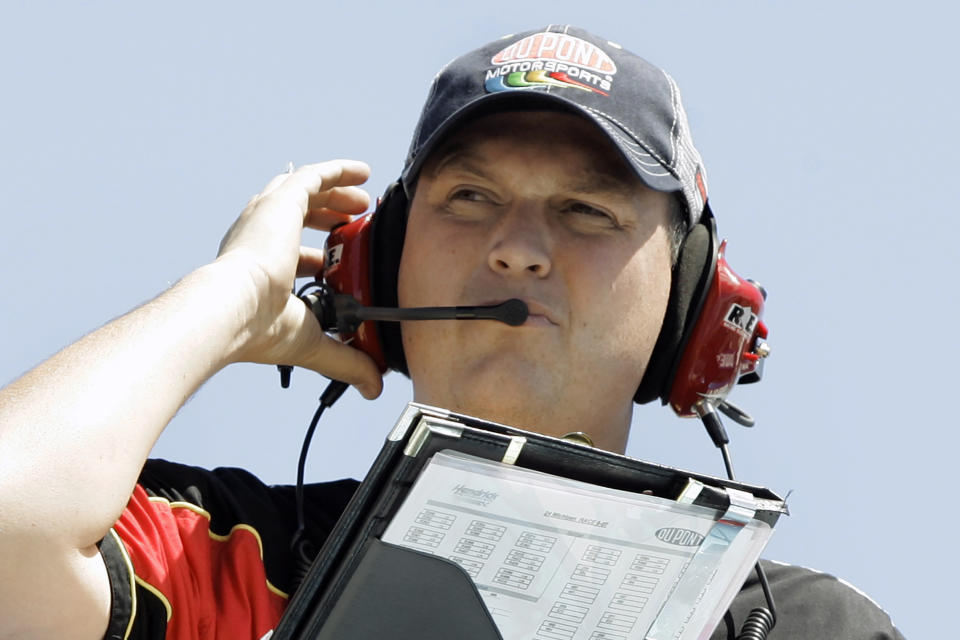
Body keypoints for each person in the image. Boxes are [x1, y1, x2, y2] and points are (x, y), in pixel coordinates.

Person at [0, 25, 903, 640]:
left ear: (690, 306)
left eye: (586, 210)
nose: (517, 250)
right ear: (377, 266)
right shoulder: (233, 555)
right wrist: (228, 295)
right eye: (470, 198)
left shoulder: (801, 627)